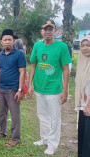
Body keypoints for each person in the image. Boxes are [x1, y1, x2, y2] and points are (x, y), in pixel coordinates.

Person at [28, 19, 71, 155]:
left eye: (50, 29)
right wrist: (29, 84)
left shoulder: (62, 47)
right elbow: (33, 65)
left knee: (54, 118)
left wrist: (65, 90)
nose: (47, 31)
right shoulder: (37, 46)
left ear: (54, 31)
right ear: (42, 31)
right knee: (42, 115)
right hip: (39, 87)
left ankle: (52, 145)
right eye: (45, 29)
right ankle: (44, 138)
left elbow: (65, 69)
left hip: (53, 89)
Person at [0, 29, 26, 147]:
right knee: (1, 112)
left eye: (9, 40)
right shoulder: (0, 55)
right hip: (1, 88)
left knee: (14, 114)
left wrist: (20, 90)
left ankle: (15, 138)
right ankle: (2, 132)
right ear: (1, 41)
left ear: (13, 41)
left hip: (13, 89)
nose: (7, 42)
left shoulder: (19, 54)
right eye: (5, 40)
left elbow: (22, 72)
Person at [75, 35, 90, 157]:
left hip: (88, 106)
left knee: (88, 139)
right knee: (82, 135)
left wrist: (89, 106)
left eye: (88, 45)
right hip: (82, 104)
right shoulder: (82, 61)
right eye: (83, 45)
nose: (85, 48)